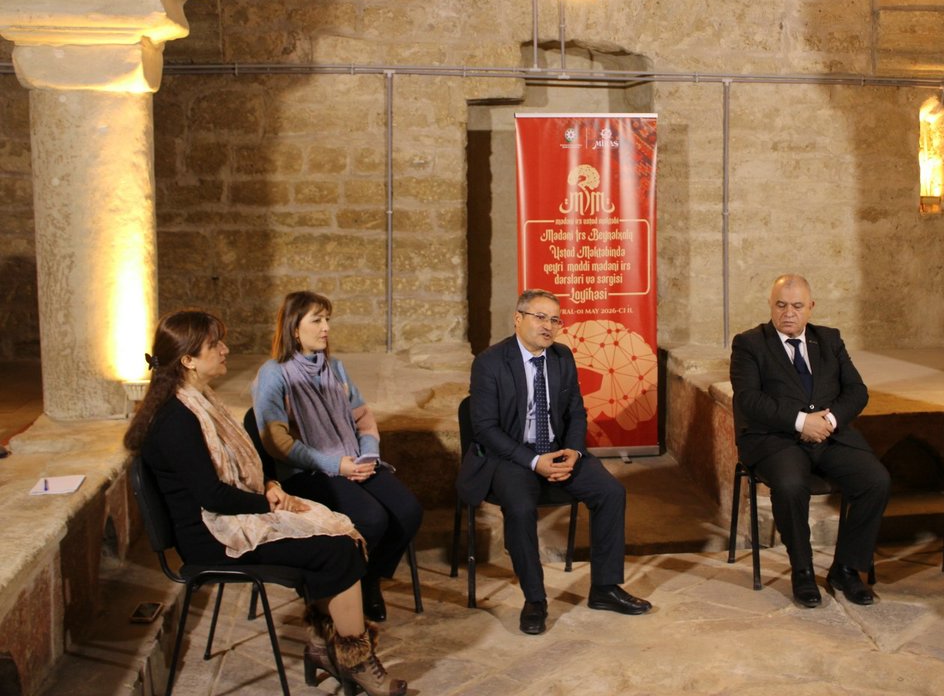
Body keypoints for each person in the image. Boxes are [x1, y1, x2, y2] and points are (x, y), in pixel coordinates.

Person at [124, 310, 405, 696]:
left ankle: (323, 646)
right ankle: (356, 661)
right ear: (188, 360)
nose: (225, 350)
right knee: (337, 548)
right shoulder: (177, 419)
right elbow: (211, 496)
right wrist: (270, 503)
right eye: (215, 345)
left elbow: (234, 473)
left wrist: (269, 486)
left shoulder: (198, 401)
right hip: (210, 537)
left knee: (339, 532)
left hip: (224, 516)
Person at [457, 288, 651, 635]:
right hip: (511, 456)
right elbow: (485, 429)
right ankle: (535, 600)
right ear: (518, 319)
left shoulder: (562, 356)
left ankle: (605, 588)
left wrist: (574, 450)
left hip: (559, 450)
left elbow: (576, 411)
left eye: (555, 320)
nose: (548, 326)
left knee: (611, 492)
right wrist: (534, 461)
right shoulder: (490, 362)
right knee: (520, 507)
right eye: (540, 317)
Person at [253, 291, 423, 623]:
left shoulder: (336, 368)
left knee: (408, 511)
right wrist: (336, 465)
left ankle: (369, 578)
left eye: (327, 319)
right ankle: (347, 585)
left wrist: (369, 454)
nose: (326, 328)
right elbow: (277, 442)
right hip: (309, 472)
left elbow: (363, 419)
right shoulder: (273, 374)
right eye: (317, 320)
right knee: (372, 518)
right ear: (294, 328)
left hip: (353, 460)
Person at [730, 274, 891, 607]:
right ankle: (802, 571)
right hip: (776, 439)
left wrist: (827, 422)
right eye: (781, 305)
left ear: (811, 307)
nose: (788, 313)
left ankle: (846, 569)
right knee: (790, 485)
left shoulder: (829, 339)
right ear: (771, 305)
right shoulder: (749, 344)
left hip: (830, 436)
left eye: (797, 306)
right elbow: (749, 399)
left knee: (876, 480)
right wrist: (801, 421)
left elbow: (857, 392)